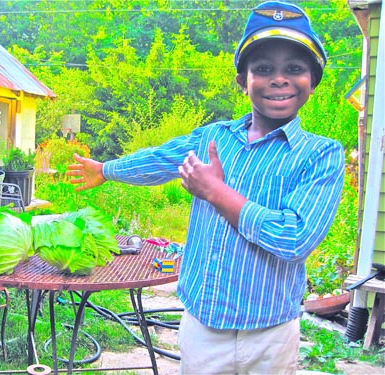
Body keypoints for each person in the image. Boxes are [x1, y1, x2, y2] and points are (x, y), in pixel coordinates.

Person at [66, 1, 345, 374]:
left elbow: (294, 238)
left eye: (294, 69)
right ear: (242, 80)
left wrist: (216, 192)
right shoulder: (214, 137)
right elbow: (161, 160)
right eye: (262, 69)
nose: (279, 79)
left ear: (313, 79)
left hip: (272, 333)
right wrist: (107, 169)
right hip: (204, 326)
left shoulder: (321, 154)